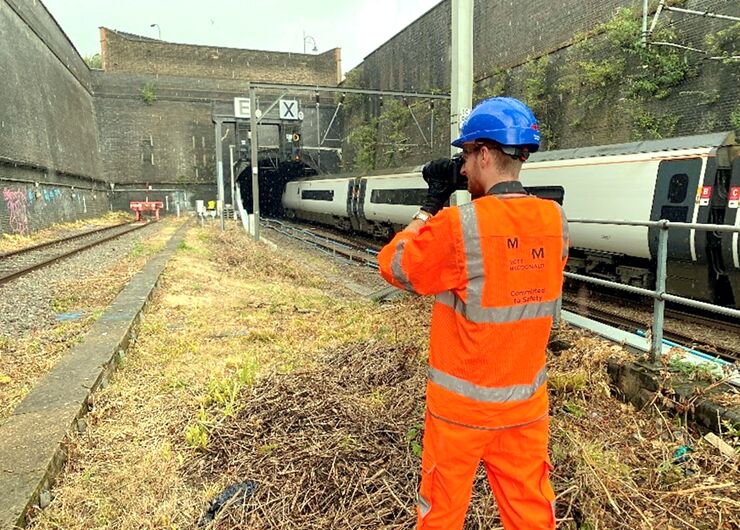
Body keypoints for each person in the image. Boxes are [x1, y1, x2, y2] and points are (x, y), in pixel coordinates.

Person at [378, 97, 569, 530]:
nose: (462, 169)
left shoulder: (458, 226)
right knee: (532, 515)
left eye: (465, 156)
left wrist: (429, 206)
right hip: (525, 407)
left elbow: (394, 266)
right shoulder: (554, 221)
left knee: (441, 517)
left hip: (459, 414)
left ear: (484, 154)